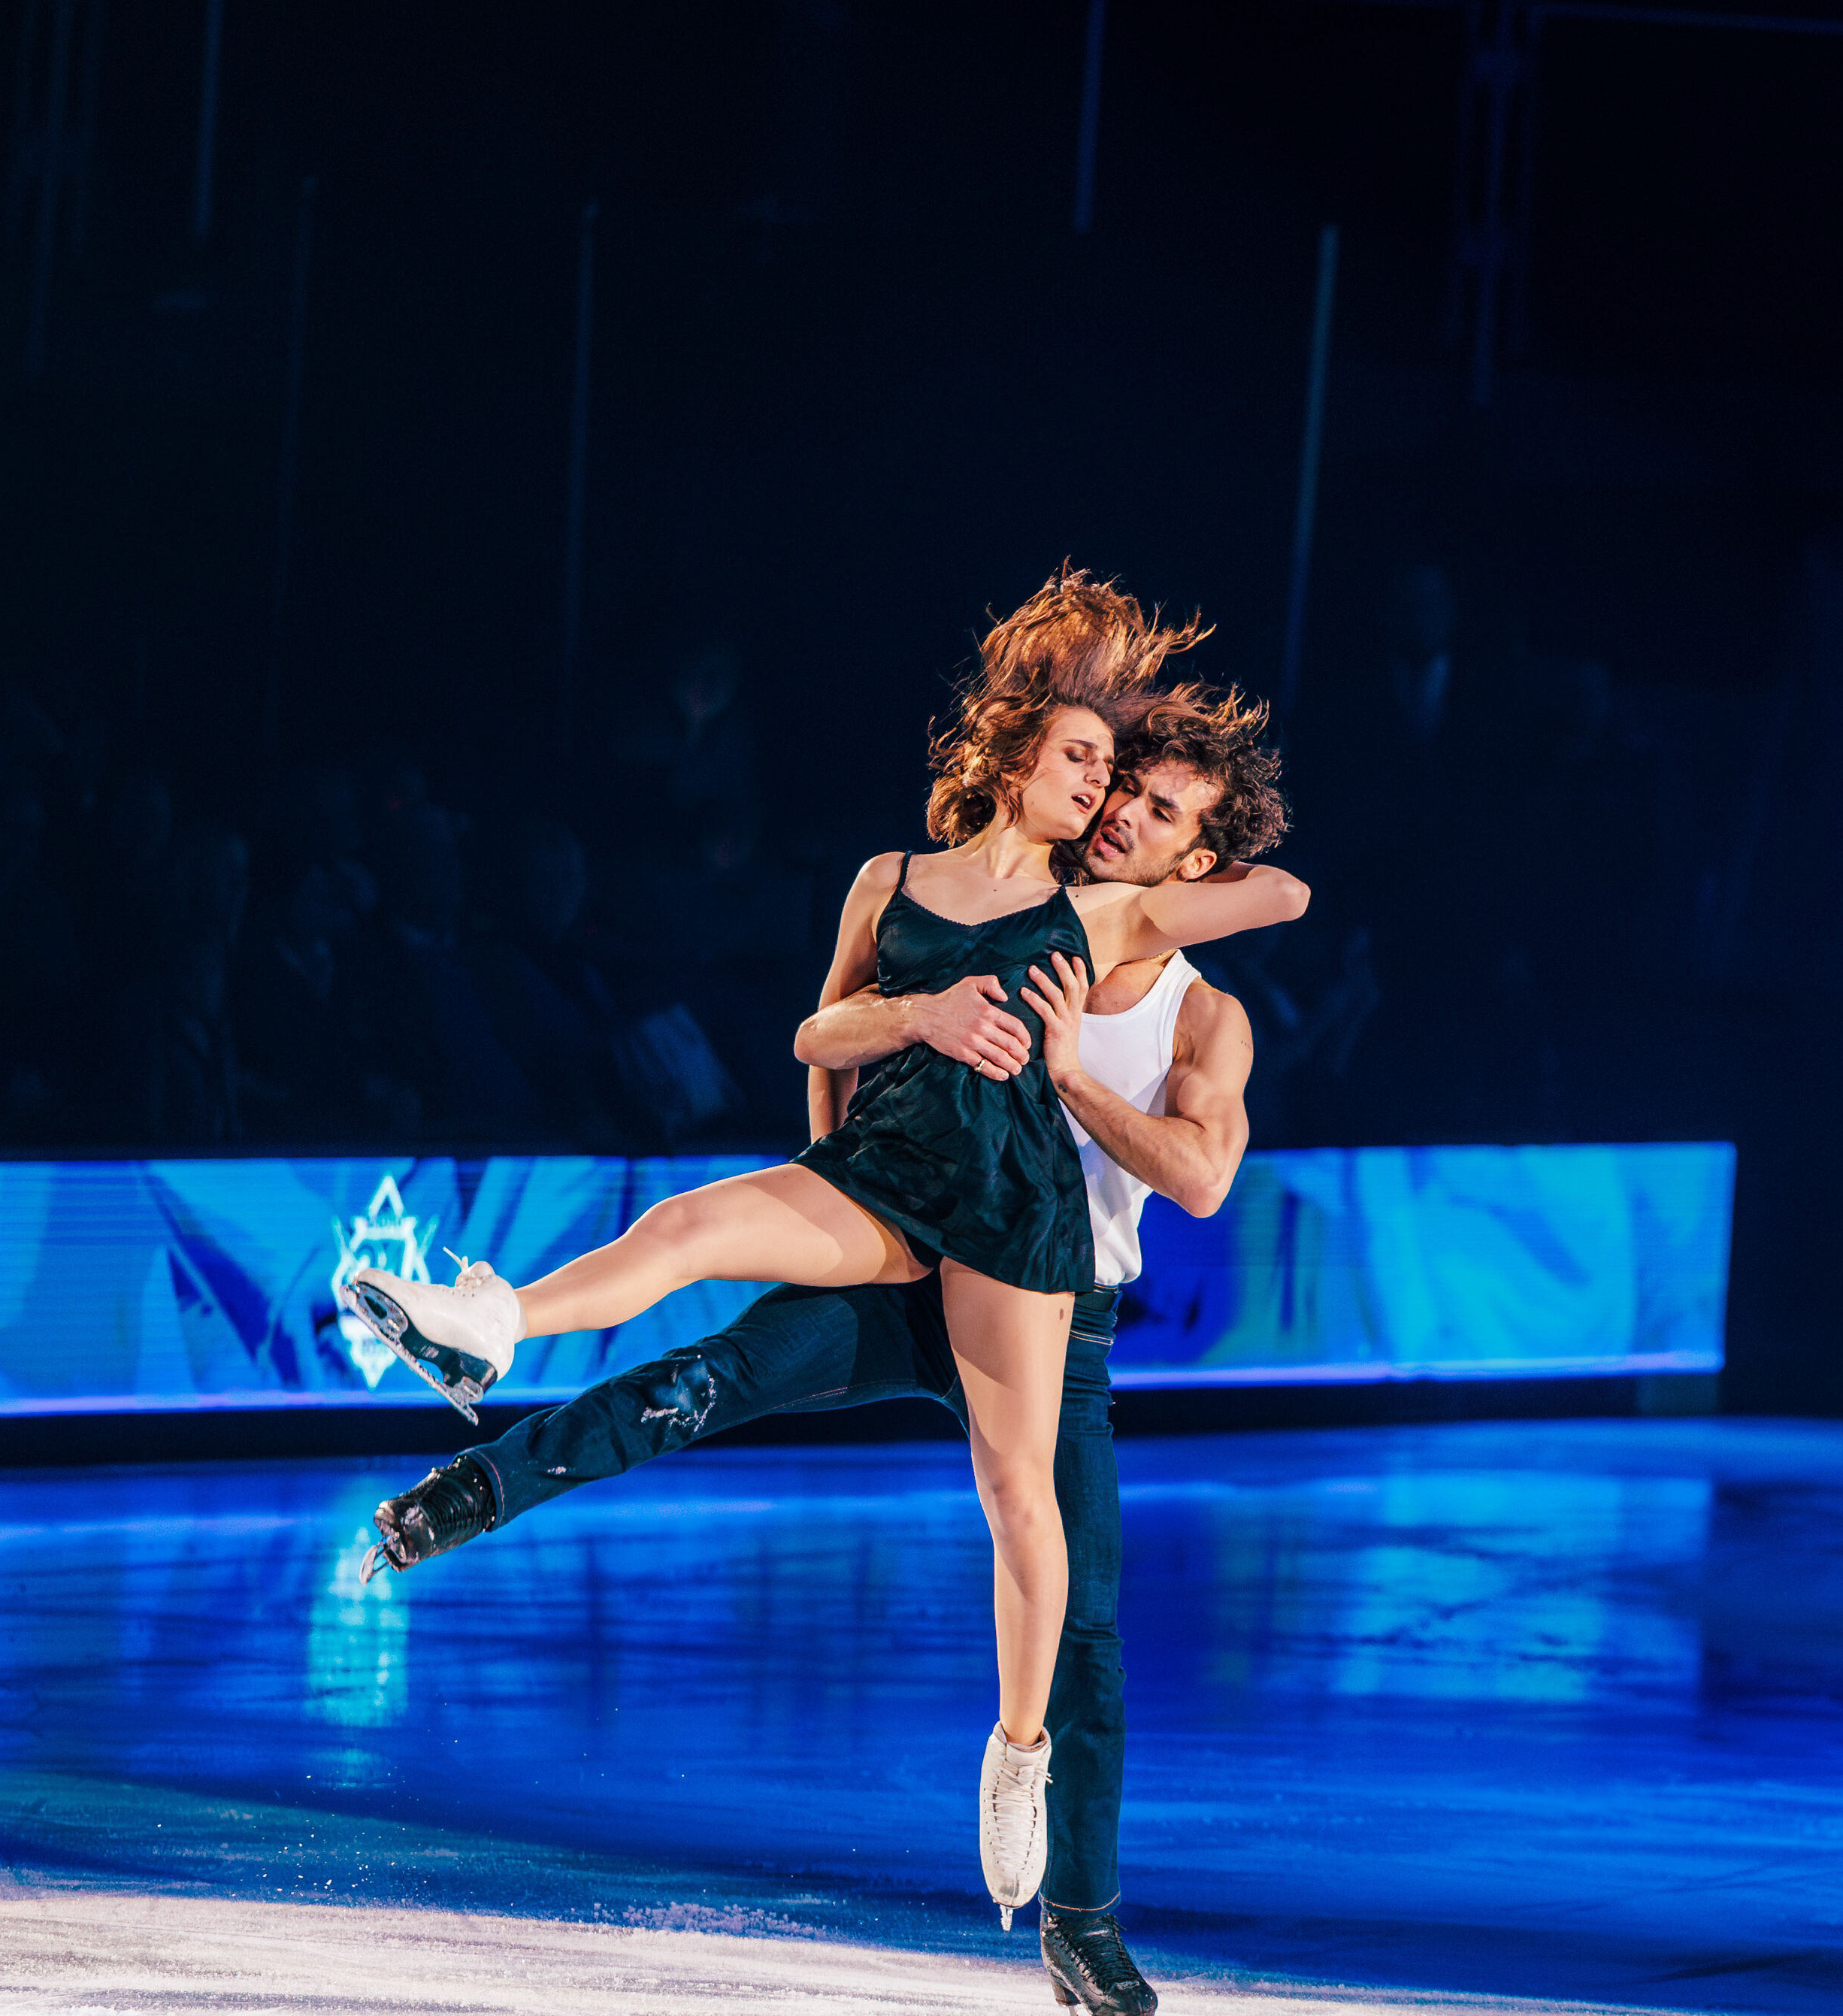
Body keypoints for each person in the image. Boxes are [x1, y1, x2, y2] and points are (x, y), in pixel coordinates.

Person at [346, 569, 1309, 1929]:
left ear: (1187, 855)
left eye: (1142, 800)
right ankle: (486, 1341)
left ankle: (1040, 1819)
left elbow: (1270, 956)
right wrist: (901, 1044)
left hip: (1037, 1272)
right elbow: (822, 1031)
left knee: (1040, 1538)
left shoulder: (1159, 957)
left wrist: (1077, 1068)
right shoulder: (911, 879)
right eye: (1102, 773)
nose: (1114, 808)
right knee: (697, 1294)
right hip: (889, 1199)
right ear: (1023, 747)